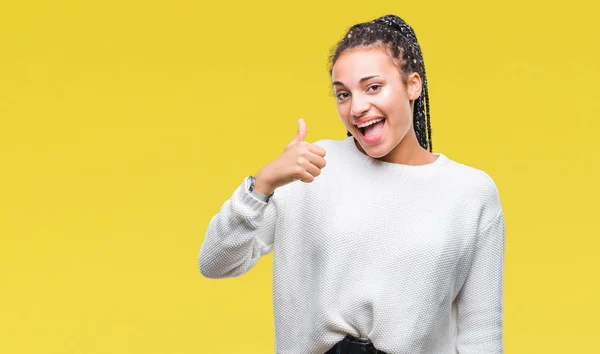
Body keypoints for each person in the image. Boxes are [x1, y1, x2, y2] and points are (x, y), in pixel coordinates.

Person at [198, 14, 505, 354]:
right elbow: (215, 262)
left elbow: (482, 336)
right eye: (343, 94)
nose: (357, 107)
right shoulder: (312, 168)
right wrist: (265, 183)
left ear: (412, 85)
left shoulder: (470, 192)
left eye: (373, 87)